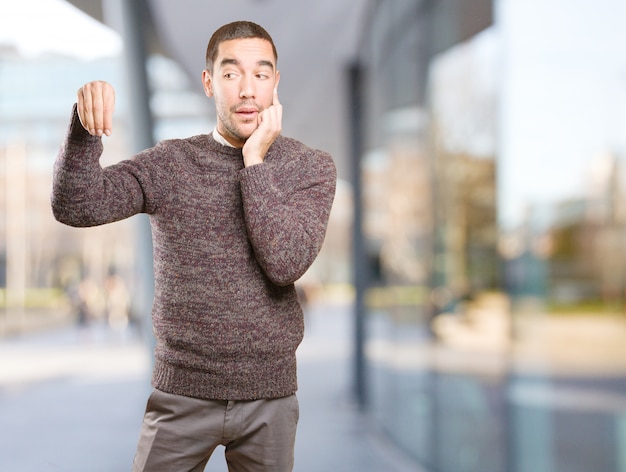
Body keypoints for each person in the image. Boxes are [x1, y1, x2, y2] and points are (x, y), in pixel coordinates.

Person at [51, 20, 336, 472]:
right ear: (208, 83)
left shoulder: (311, 168)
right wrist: (84, 131)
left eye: (261, 74)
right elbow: (77, 206)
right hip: (179, 394)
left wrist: (255, 162)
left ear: (276, 83)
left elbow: (285, 263)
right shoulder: (171, 163)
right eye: (230, 74)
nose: (247, 90)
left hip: (270, 398)